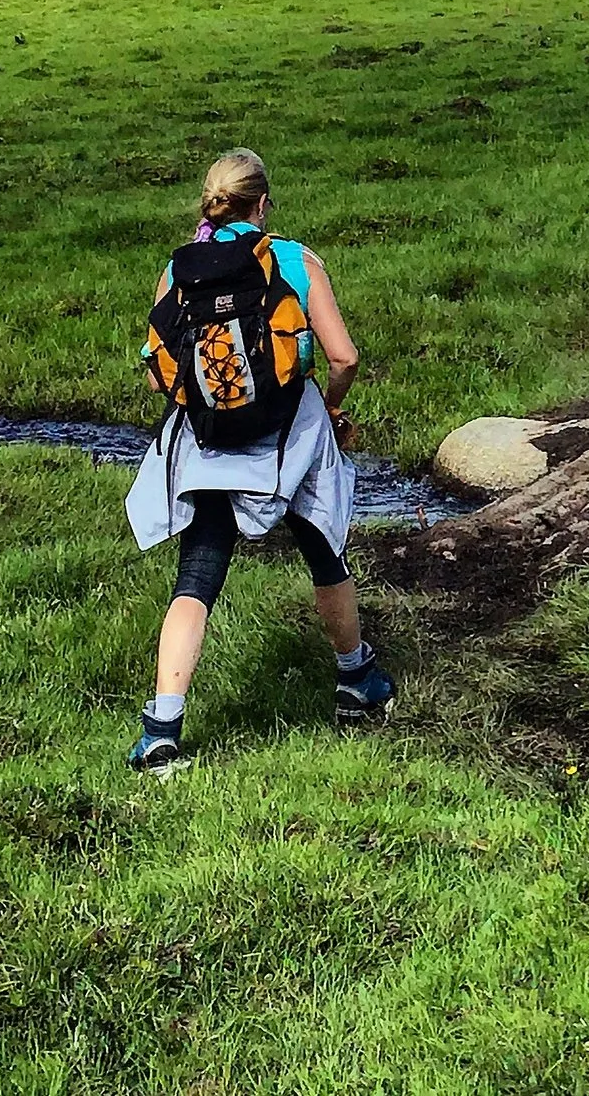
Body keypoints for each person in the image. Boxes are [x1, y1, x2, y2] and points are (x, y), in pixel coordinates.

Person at [124, 149, 393, 771]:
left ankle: (162, 727)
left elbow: (156, 367)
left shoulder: (178, 269)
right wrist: (325, 409)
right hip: (288, 437)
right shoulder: (296, 260)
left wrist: (214, 401)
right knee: (323, 549)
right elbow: (345, 357)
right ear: (263, 203)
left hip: (209, 439)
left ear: (210, 205)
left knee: (198, 573)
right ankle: (356, 680)